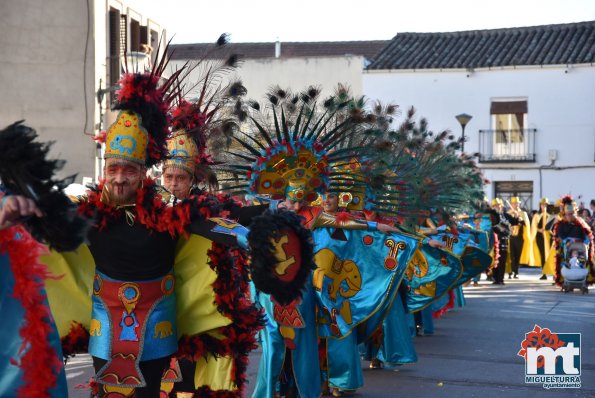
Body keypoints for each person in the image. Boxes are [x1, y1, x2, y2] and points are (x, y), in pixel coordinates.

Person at [552, 196, 595, 286]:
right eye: (568, 214)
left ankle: (583, 277)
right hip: (567, 246)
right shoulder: (560, 224)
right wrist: (566, 241)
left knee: (584, 259)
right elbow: (560, 236)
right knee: (563, 256)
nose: (570, 216)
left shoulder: (580, 222)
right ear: (564, 214)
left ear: (575, 212)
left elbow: (587, 233)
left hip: (581, 246)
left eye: (572, 213)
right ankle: (565, 277)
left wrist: (586, 241)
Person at [506, 196, 531, 279]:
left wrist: (520, 219)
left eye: (516, 203)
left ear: (519, 204)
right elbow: (506, 224)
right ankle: (510, 271)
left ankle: (516, 271)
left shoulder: (523, 213)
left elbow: (526, 225)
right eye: (513, 203)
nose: (515, 205)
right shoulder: (508, 213)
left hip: (519, 237)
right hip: (510, 237)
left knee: (517, 255)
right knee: (511, 255)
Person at [490, 198, 511, 285]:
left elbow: (508, 228)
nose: (497, 207)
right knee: (495, 259)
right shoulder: (491, 217)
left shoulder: (505, 216)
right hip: (494, 241)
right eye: (495, 206)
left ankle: (501, 279)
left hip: (503, 240)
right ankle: (495, 278)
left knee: (502, 261)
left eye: (498, 205)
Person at [532, 198, 553, 280]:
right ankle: (544, 273)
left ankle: (551, 272)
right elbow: (533, 226)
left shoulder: (549, 216)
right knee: (543, 255)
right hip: (540, 237)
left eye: (545, 205)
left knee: (549, 255)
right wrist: (539, 229)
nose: (544, 206)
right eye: (542, 205)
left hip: (548, 237)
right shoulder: (537, 216)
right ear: (540, 206)